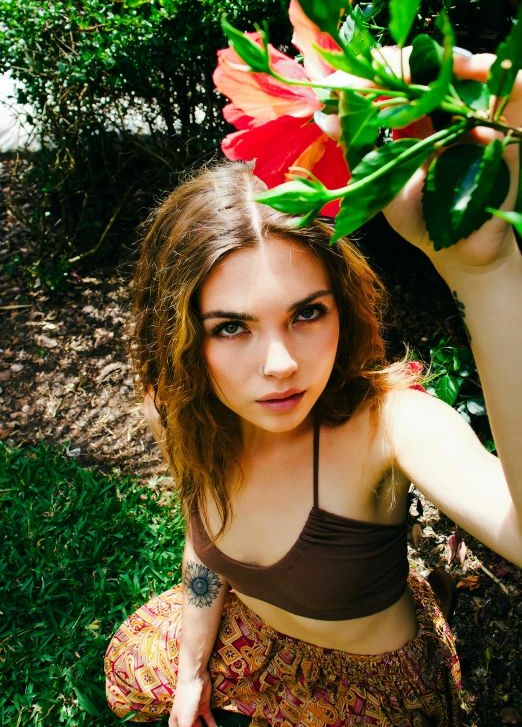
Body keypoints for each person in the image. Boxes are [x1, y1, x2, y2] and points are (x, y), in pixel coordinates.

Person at [105, 52, 522, 727]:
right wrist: (189, 675)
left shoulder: (388, 423)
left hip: (371, 696)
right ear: (185, 340)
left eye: (306, 313)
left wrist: (486, 270)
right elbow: (200, 532)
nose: (279, 364)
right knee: (134, 667)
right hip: (258, 643)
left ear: (343, 307)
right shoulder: (189, 410)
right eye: (233, 326)